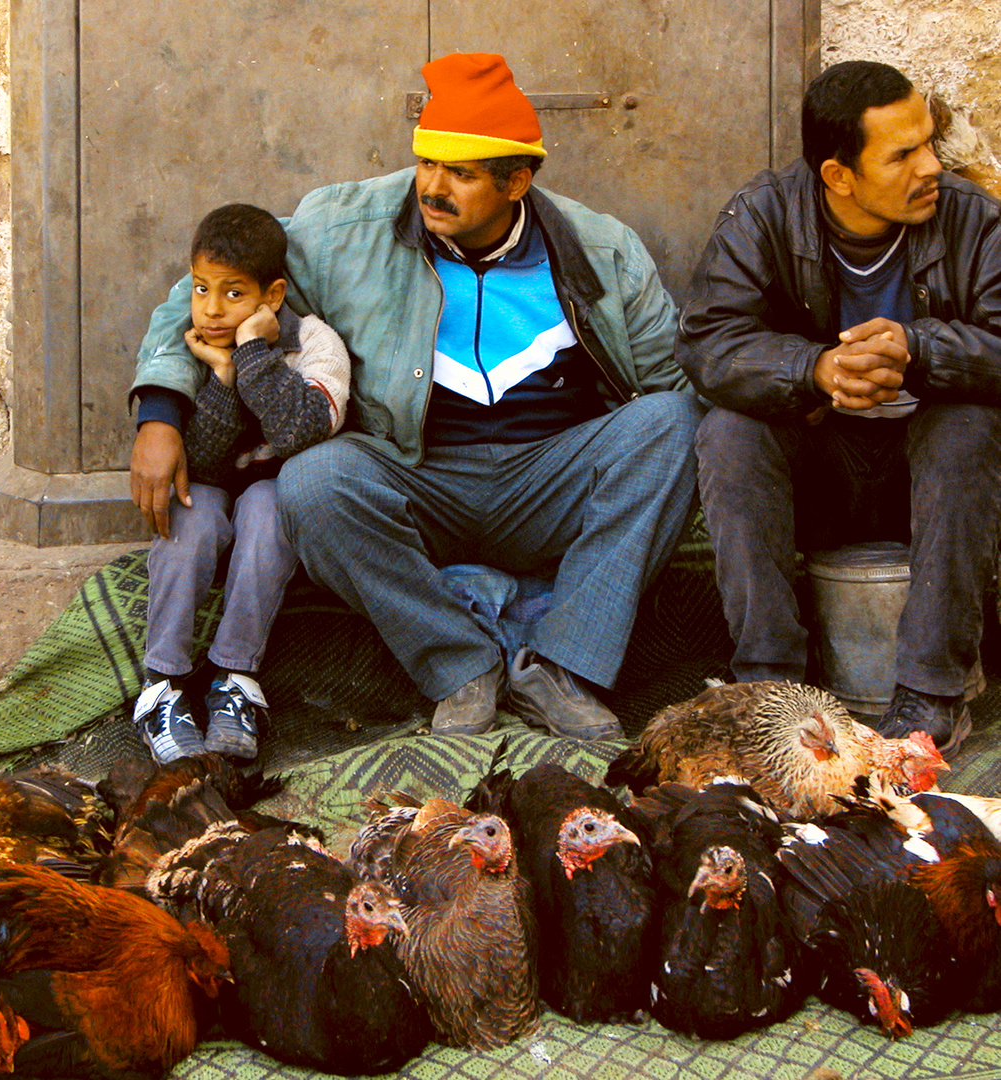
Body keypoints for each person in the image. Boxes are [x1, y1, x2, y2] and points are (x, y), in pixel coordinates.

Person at [131, 53, 700, 741]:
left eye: (461, 174)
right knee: (313, 480)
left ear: (516, 181)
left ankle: (561, 667)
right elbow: (202, 291)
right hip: (418, 473)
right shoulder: (347, 229)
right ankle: (461, 667)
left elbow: (671, 385)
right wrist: (159, 416)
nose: (433, 188)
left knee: (672, 424)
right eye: (428, 163)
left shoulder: (602, 249)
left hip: (550, 477)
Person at [677, 60, 1001, 754]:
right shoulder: (762, 214)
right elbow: (708, 345)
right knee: (730, 433)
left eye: (930, 142)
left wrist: (920, 350)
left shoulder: (974, 222)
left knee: (970, 426)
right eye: (904, 153)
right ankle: (768, 687)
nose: (932, 167)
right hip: (819, 477)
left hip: (934, 483)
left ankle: (931, 691)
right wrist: (814, 369)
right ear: (838, 175)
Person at [128, 203, 349, 764]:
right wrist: (221, 381)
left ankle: (235, 678)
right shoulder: (192, 343)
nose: (211, 310)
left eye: (233, 294)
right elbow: (199, 464)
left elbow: (297, 431)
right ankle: (162, 684)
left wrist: (249, 355)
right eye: (202, 290)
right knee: (193, 514)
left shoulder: (316, 345)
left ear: (272, 296)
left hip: (276, 494)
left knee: (268, 506)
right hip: (212, 489)